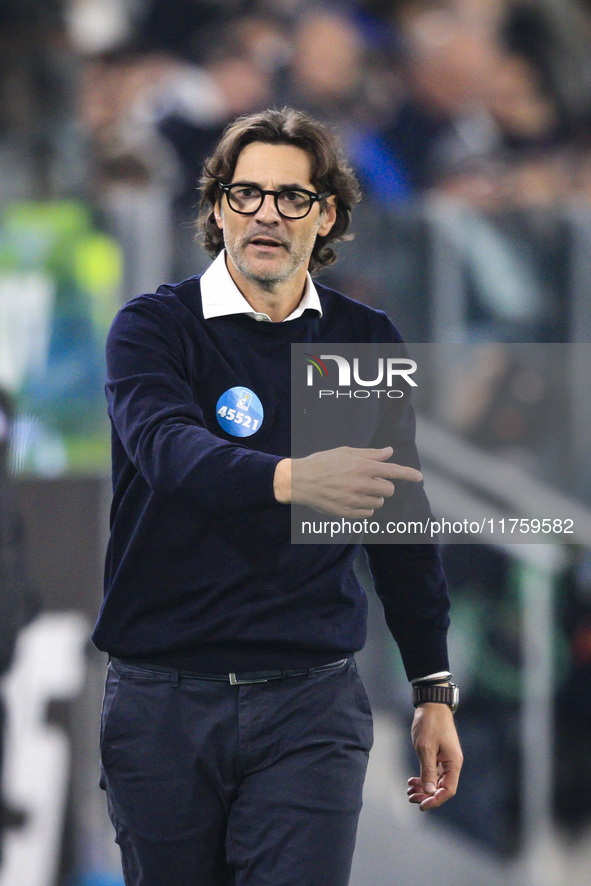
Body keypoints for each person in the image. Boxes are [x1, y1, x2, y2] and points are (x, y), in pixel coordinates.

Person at [93, 106, 463, 886]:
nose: (266, 212)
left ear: (325, 215)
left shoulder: (356, 340)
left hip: (309, 705)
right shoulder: (155, 327)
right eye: (246, 193)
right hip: (163, 699)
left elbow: (397, 525)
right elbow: (168, 453)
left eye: (292, 197)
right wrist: (293, 478)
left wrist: (432, 687)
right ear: (216, 208)